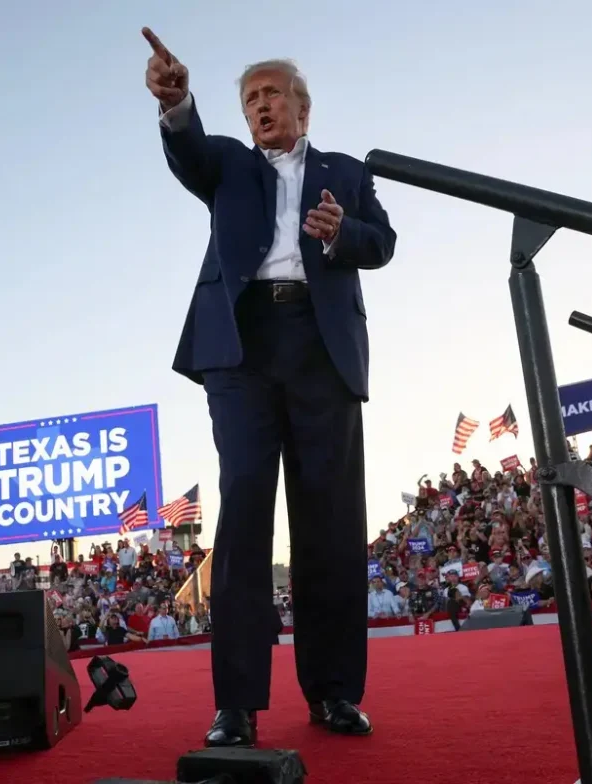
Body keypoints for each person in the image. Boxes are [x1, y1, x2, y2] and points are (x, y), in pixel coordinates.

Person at [143, 28, 396, 748]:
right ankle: (237, 705)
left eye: (272, 93)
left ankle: (335, 692)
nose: (260, 105)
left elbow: (382, 244)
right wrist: (176, 101)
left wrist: (342, 233)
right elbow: (187, 150)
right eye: (250, 97)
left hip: (324, 352)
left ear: (303, 109)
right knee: (245, 512)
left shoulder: (346, 172)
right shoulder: (226, 164)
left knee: (331, 524)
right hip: (242, 352)